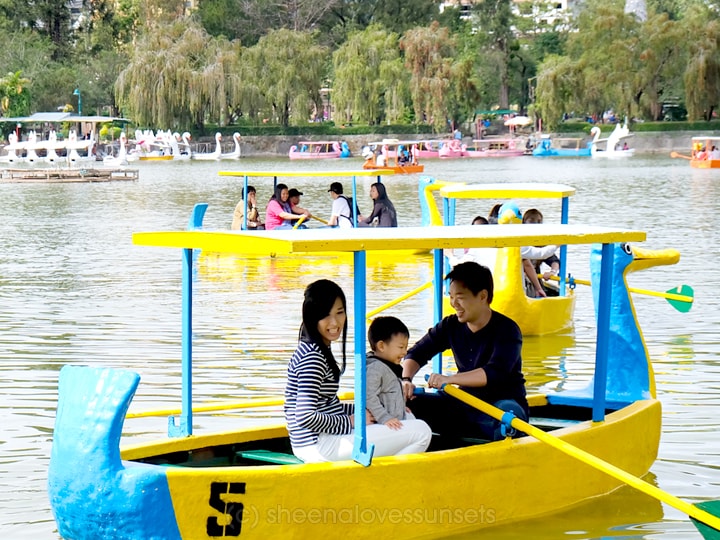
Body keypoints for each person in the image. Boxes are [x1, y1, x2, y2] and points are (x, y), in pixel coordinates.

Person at [284, 280, 433, 463]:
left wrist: (368, 410)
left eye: (339, 313)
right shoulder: (312, 357)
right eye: (325, 315)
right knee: (422, 432)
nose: (335, 322)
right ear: (312, 317)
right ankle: (381, 479)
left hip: (322, 439)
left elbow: (328, 406)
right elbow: (305, 416)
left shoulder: (316, 349)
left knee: (407, 417)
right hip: (318, 444)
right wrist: (351, 421)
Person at [401, 262, 528, 443]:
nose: (454, 303)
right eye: (451, 296)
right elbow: (416, 353)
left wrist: (449, 379)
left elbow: (495, 372)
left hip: (500, 404)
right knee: (405, 401)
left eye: (460, 297)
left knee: (506, 417)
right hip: (463, 403)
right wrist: (406, 381)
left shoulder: (507, 329)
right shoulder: (450, 325)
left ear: (483, 296)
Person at [365, 316, 432, 446]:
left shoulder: (388, 365)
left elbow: (388, 392)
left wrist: (400, 406)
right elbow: (369, 396)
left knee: (413, 418)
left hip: (394, 419)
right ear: (381, 346)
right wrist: (384, 418)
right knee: (423, 430)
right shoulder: (376, 368)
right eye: (401, 347)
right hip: (383, 424)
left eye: (406, 347)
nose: (404, 352)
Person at [521, 208, 559, 298]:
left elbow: (554, 261)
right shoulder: (519, 242)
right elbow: (528, 265)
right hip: (520, 282)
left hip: (534, 284)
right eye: (531, 221)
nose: (535, 225)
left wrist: (552, 272)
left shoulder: (540, 244)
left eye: (538, 222)